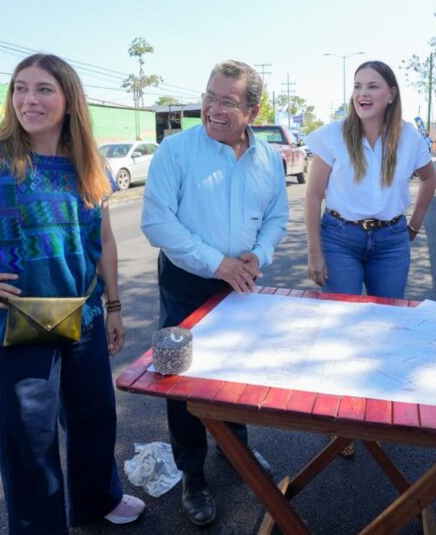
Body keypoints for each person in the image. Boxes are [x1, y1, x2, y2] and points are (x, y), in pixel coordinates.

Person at [0, 54, 145, 532]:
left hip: (84, 319)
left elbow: (106, 240)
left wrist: (113, 305)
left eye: (43, 89)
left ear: (69, 99)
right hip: (17, 326)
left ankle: (97, 500)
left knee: (94, 421)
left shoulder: (88, 162)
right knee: (29, 447)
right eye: (19, 88)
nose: (28, 100)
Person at [141, 60, 288, 526]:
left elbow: (277, 218)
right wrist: (217, 263)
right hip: (187, 280)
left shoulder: (268, 159)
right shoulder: (177, 150)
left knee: (232, 372)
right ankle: (193, 473)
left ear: (253, 110)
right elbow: (157, 222)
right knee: (182, 380)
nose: (213, 108)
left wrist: (258, 254)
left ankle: (236, 450)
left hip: (241, 281)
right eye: (209, 96)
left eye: (227, 100)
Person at [304, 60, 436, 299]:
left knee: (387, 319)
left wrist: (414, 225)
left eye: (372, 86)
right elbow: (313, 195)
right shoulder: (332, 135)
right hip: (339, 240)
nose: (362, 93)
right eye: (357, 86)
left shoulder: (410, 138)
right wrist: (314, 251)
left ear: (391, 94)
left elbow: (428, 178)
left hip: (392, 242)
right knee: (341, 316)